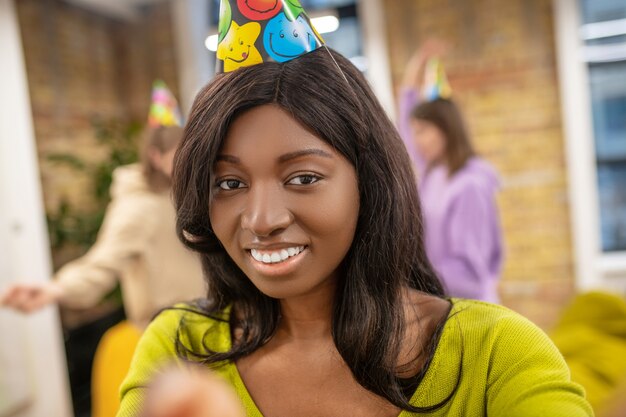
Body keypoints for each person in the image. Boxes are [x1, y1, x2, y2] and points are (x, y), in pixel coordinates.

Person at [115, 46, 592, 417]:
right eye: (230, 183)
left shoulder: (495, 353)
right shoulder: (177, 350)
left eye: (302, 178)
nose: (261, 219)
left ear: (369, 179)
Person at [0, 125, 205, 328]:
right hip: (174, 331)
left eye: (192, 153)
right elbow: (103, 263)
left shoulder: (185, 197)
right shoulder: (137, 207)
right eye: (180, 154)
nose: (189, 162)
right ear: (155, 156)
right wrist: (56, 289)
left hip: (209, 321)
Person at [397, 41, 504, 303]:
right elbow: (405, 115)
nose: (416, 140)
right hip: (442, 302)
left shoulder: (469, 186)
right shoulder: (434, 172)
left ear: (445, 130)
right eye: (415, 132)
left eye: (423, 131)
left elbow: (468, 274)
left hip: (469, 312)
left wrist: (407, 278)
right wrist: (419, 61)